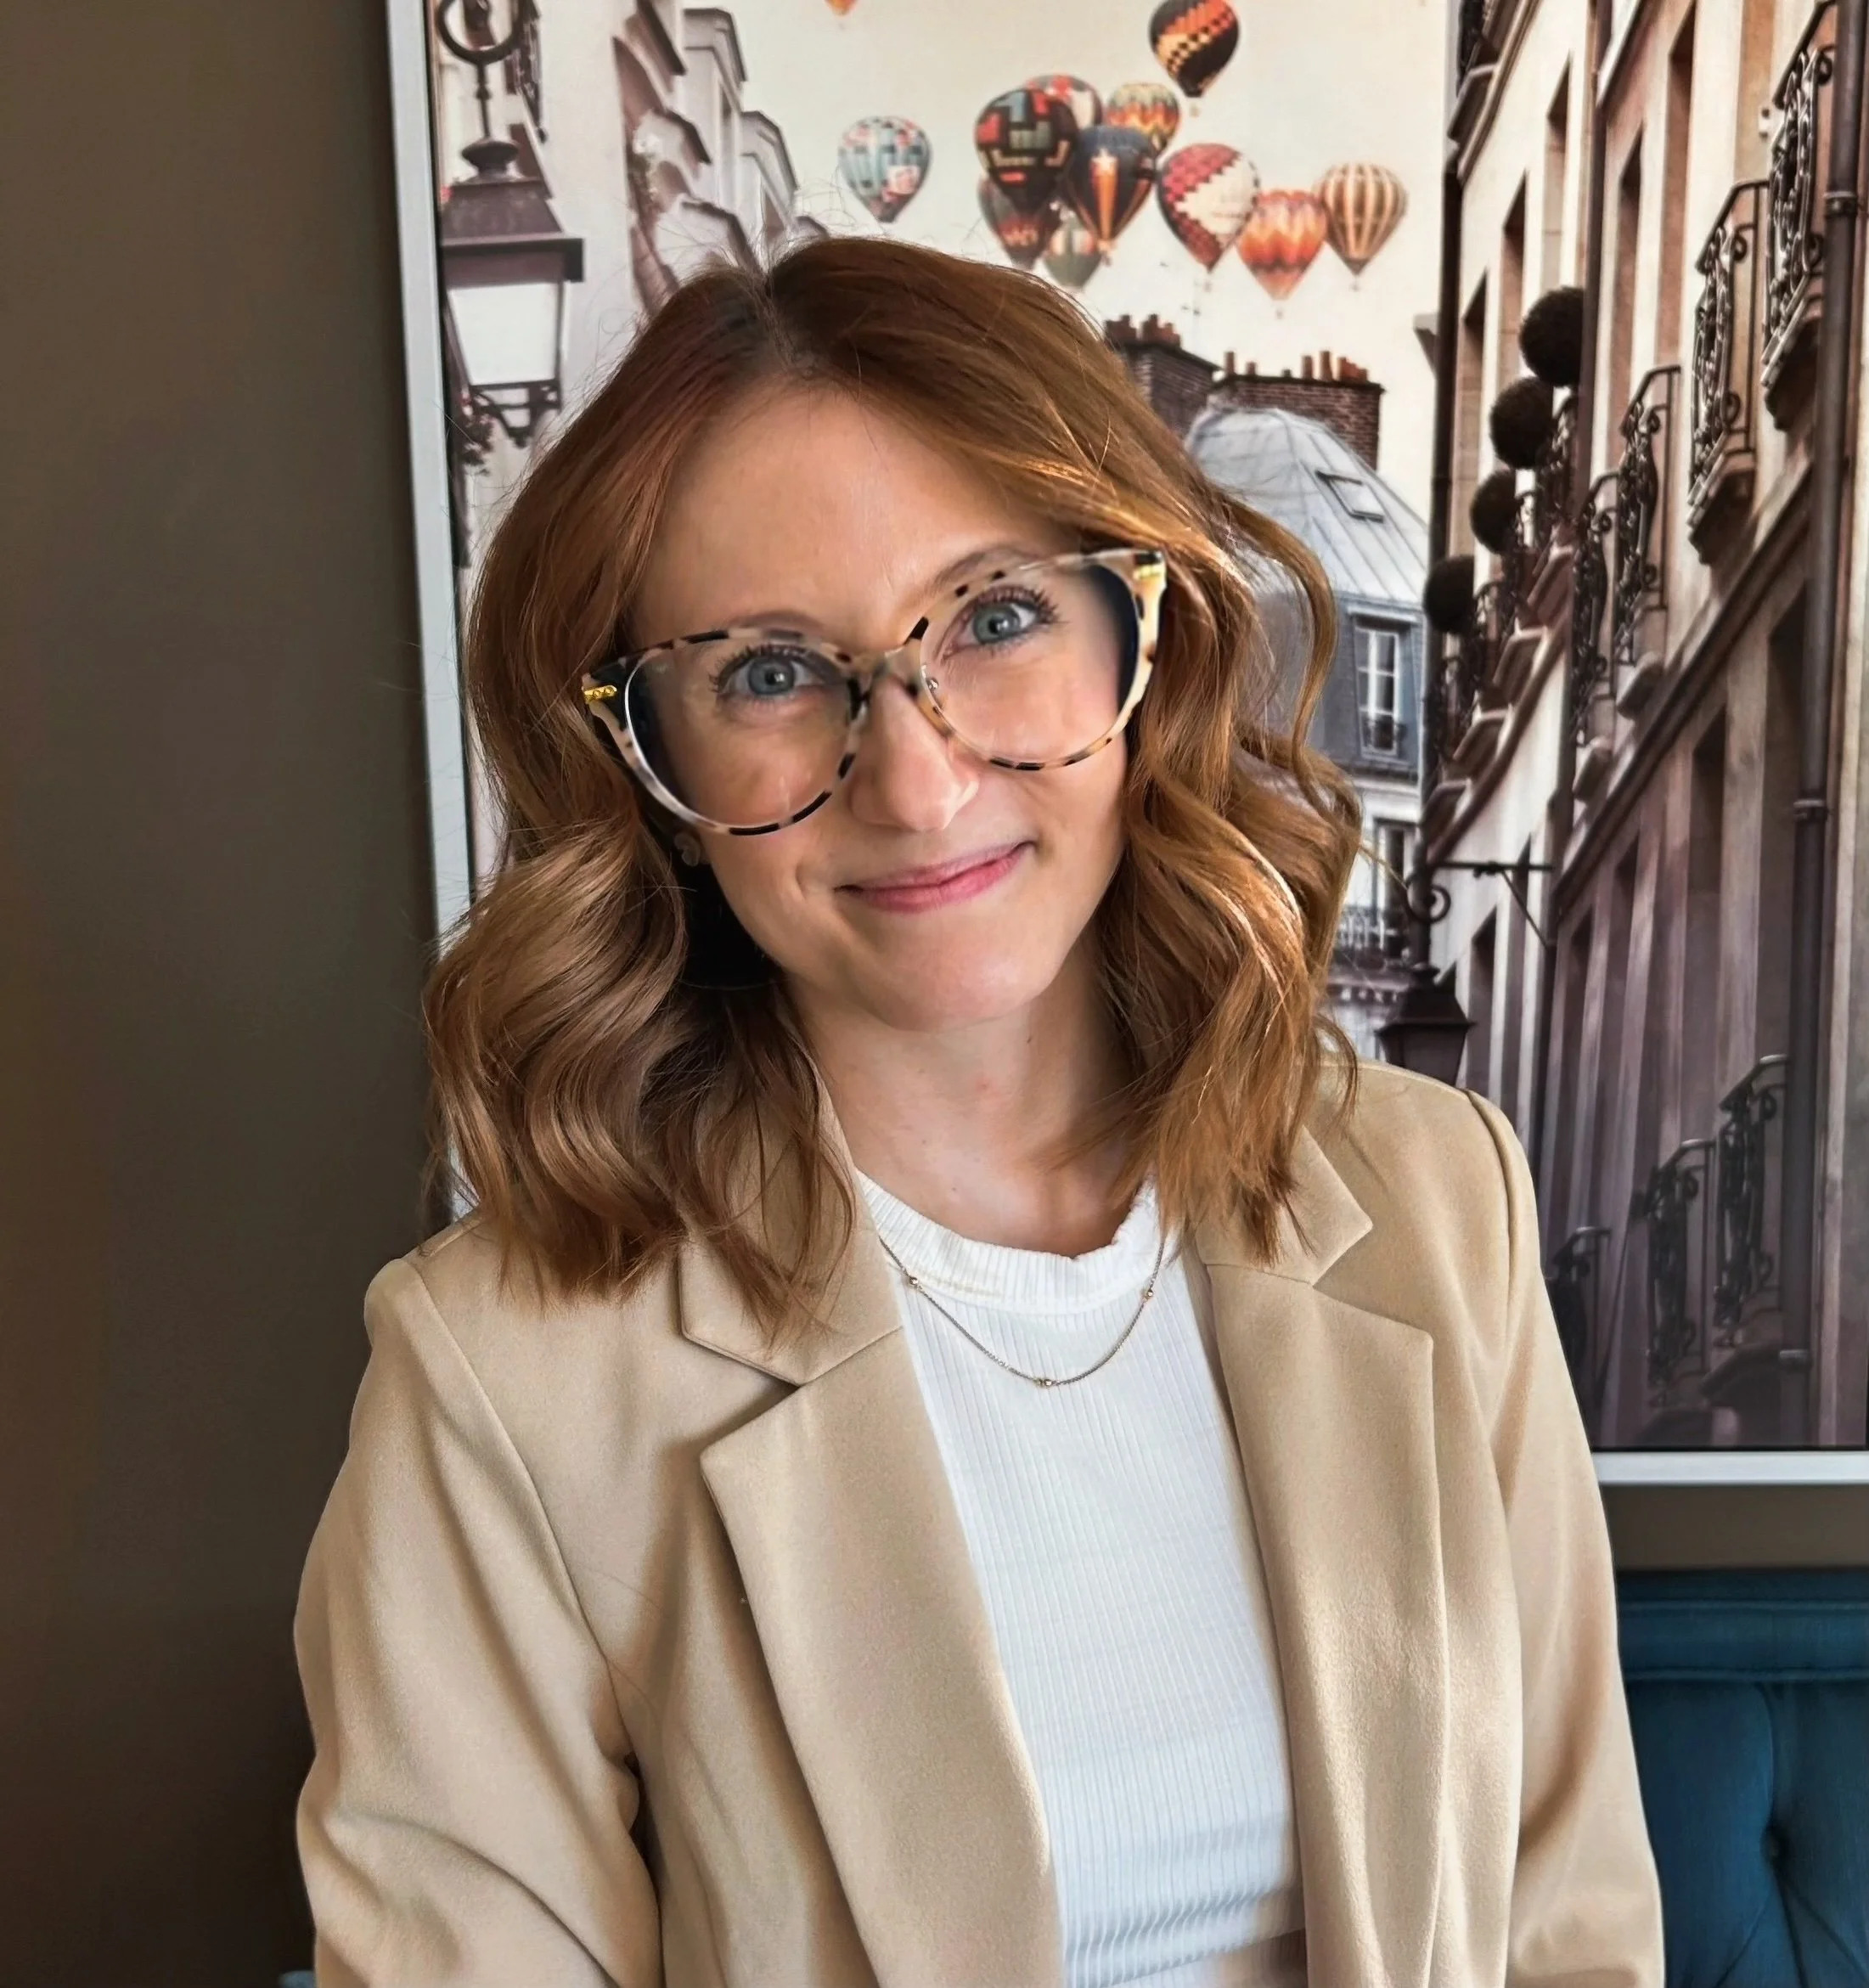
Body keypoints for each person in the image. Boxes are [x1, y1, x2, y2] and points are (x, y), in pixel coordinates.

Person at [294, 238, 1663, 1988]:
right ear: (648, 765)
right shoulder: (504, 1374)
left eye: (996, 618)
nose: (917, 779)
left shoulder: (1434, 1196)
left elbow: (1567, 1928)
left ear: (1145, 643)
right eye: (768, 672)